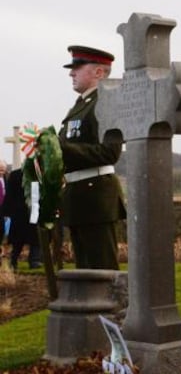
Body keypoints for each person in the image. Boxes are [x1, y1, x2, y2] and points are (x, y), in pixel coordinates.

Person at [59, 45, 126, 270]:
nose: (71, 73)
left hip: (95, 195)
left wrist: (62, 150)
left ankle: (111, 308)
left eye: (77, 67)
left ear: (99, 72)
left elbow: (110, 152)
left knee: (103, 271)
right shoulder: (79, 107)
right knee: (85, 273)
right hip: (78, 197)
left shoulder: (106, 103)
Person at [0, 165, 42, 269]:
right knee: (18, 239)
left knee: (35, 237)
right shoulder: (16, 175)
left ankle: (34, 260)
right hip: (20, 212)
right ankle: (14, 260)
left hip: (34, 210)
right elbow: (10, 194)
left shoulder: (39, 174)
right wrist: (6, 211)